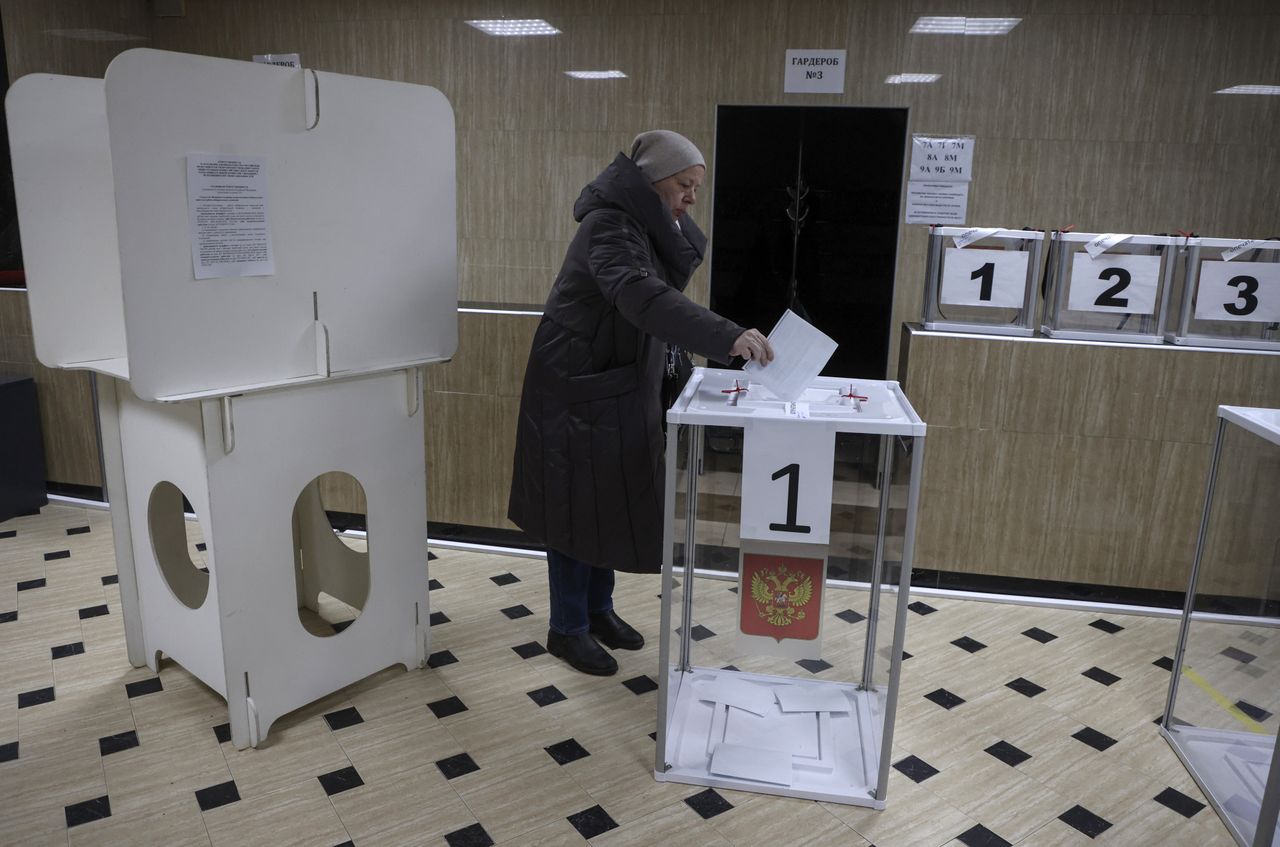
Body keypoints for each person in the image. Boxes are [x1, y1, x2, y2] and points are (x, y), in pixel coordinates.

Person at [508, 130, 774, 676]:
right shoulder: (609, 225)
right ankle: (567, 627)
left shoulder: (642, 225)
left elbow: (662, 291)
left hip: (616, 384)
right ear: (650, 180)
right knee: (574, 507)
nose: (692, 198)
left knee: (607, 499)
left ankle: (599, 611)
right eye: (684, 185)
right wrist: (725, 335)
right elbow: (641, 295)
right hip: (576, 388)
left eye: (696, 187)